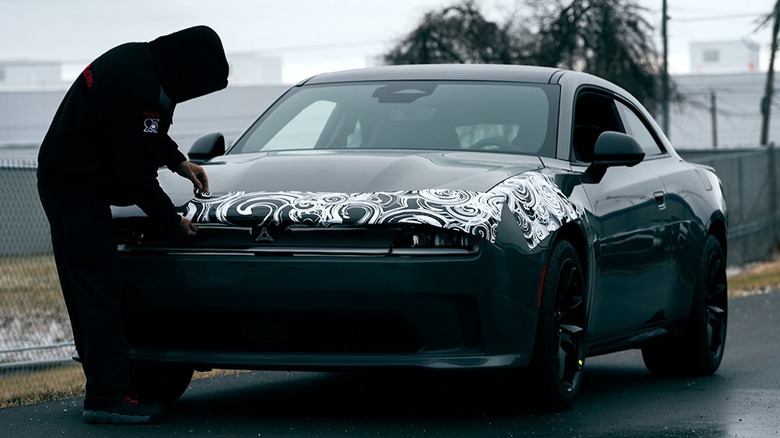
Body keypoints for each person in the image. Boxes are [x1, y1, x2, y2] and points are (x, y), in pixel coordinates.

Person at [37, 25, 229, 424]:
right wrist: (171, 221)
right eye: (200, 84)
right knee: (98, 285)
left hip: (68, 176)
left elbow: (144, 133)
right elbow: (136, 174)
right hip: (74, 186)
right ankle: (107, 397)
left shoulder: (139, 61)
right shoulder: (139, 86)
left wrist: (178, 160)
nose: (193, 92)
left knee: (88, 285)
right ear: (189, 66)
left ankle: (108, 387)